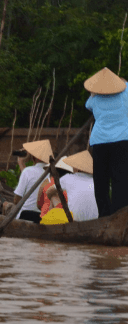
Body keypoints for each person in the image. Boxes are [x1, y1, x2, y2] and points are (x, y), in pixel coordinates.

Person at [84, 66, 128, 217]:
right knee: (120, 180)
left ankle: (104, 215)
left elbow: (87, 106)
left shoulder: (95, 98)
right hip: (122, 140)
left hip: (100, 141)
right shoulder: (126, 91)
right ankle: (119, 215)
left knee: (101, 181)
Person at [12, 140, 53, 223]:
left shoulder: (28, 171)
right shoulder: (52, 174)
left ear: (34, 157)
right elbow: (33, 176)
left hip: (25, 216)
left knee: (7, 206)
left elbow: (16, 200)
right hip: (42, 217)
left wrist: (21, 161)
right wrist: (21, 163)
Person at [61, 150, 99, 221]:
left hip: (74, 222)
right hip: (96, 222)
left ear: (77, 168)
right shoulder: (98, 181)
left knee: (53, 195)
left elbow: (49, 191)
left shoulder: (68, 178)